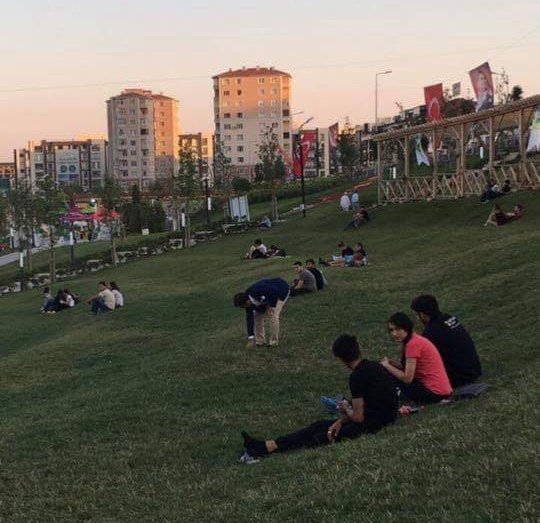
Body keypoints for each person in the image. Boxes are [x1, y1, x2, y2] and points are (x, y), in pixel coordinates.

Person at [240, 334, 398, 458]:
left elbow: (358, 417)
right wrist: (340, 421)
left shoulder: (357, 376)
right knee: (319, 425)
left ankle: (268, 449)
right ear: (358, 349)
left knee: (319, 436)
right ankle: (268, 446)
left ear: (340, 358)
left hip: (374, 423)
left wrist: (346, 409)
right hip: (383, 416)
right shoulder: (374, 366)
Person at [380, 312, 453, 404]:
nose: (394, 334)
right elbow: (412, 367)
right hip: (443, 391)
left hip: (435, 393)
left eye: (398, 329)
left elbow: (407, 378)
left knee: (385, 371)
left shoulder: (412, 345)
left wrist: (387, 366)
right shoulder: (415, 339)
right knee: (387, 369)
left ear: (406, 327)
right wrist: (393, 364)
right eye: (391, 330)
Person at [411, 295, 482, 387]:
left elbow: (425, 363)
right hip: (474, 369)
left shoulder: (431, 332)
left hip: (461, 377)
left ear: (422, 315)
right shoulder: (449, 318)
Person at [233, 278, 290, 348]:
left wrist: (270, 305)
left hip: (281, 290)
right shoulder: (248, 304)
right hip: (266, 299)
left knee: (273, 315)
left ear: (247, 302)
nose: (243, 308)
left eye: (242, 306)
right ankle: (260, 341)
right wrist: (251, 338)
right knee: (257, 317)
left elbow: (274, 291)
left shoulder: (257, 290)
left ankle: (273, 342)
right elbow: (249, 320)